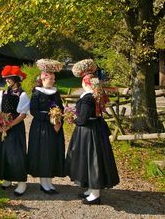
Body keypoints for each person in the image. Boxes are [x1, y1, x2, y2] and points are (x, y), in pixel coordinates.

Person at [66, 59, 119, 205]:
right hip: (94, 130)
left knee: (92, 161)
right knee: (89, 160)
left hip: (89, 132)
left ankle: (95, 195)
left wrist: (72, 120)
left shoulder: (88, 97)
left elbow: (83, 119)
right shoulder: (94, 95)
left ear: (85, 82)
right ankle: (91, 190)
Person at [0, 65, 30, 196]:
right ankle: (7, 178)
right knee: (3, 152)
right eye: (5, 79)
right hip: (1, 126)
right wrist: (0, 125)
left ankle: (21, 182)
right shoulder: (1, 93)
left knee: (15, 153)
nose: (7, 81)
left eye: (9, 78)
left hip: (15, 127)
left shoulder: (23, 95)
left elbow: (23, 114)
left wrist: (10, 125)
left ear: (16, 79)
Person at [27, 59, 65, 194]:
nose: (53, 81)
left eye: (54, 78)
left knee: (53, 153)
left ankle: (49, 181)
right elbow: (33, 111)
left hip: (55, 128)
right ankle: (44, 183)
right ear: (44, 78)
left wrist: (59, 122)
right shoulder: (37, 93)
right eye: (51, 78)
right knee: (43, 154)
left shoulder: (56, 92)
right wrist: (49, 117)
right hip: (41, 128)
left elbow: (61, 108)